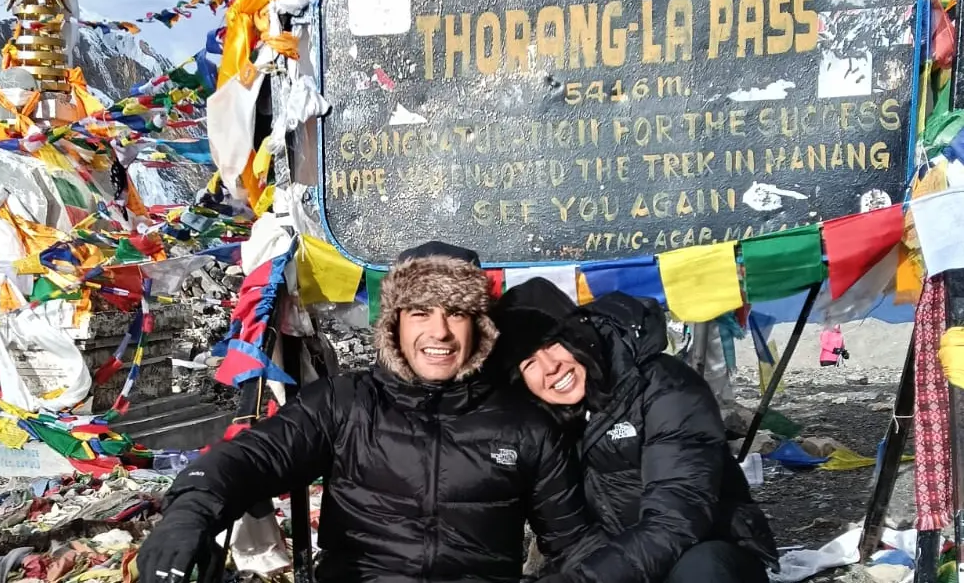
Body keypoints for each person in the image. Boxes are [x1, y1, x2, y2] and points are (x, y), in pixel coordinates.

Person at [139, 242, 593, 583]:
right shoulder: (346, 402)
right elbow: (254, 457)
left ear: (479, 326)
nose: (439, 331)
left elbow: (572, 545)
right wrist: (190, 512)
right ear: (395, 323)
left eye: (456, 313)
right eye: (420, 312)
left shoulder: (526, 425)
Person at [491, 277, 778, 583]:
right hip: (624, 565)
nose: (550, 367)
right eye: (529, 364)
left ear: (578, 334)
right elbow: (571, 540)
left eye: (552, 344)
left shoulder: (664, 386)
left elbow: (677, 518)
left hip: (706, 549)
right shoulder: (547, 424)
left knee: (703, 568)